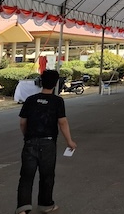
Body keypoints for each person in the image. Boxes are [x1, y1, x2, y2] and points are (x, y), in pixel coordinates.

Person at [16, 69, 76, 214]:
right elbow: (62, 122)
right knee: (47, 175)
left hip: (30, 142)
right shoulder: (57, 101)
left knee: (26, 176)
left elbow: (23, 122)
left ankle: (23, 208)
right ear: (55, 84)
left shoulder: (30, 100)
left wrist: (27, 136)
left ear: (41, 82)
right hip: (48, 143)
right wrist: (69, 141)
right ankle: (45, 204)